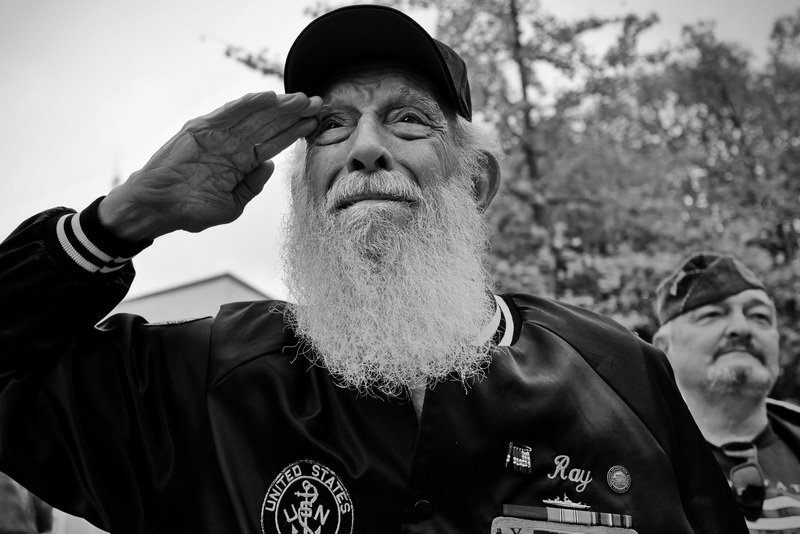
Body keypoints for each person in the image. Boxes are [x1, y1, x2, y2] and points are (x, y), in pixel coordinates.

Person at [0, 5, 746, 534]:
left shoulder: (624, 377)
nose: (364, 147)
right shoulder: (200, 382)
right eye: (330, 126)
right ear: (305, 186)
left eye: (407, 118)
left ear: (474, 181)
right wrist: (120, 221)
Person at [653, 252, 800, 532]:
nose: (741, 328)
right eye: (711, 314)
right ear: (663, 347)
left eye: (759, 316)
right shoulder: (636, 452)